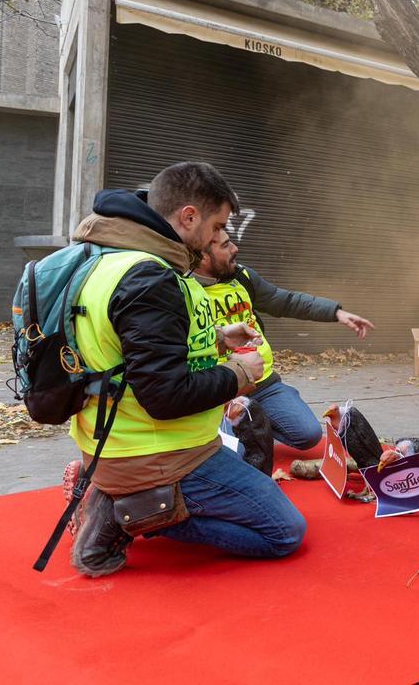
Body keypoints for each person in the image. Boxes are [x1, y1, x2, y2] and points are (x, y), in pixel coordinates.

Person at [63, 162, 305, 577]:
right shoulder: (148, 276)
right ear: (189, 216)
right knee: (285, 532)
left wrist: (216, 338)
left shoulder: (112, 259)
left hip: (113, 440)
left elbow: (125, 350)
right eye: (217, 226)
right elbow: (164, 396)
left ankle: (117, 496)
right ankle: (130, 515)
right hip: (158, 453)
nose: (220, 238)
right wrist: (240, 372)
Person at [195, 238, 375, 449]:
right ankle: (242, 432)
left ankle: (254, 425)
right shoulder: (182, 288)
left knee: (309, 435)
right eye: (225, 246)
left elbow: (286, 301)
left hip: (264, 385)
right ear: (204, 256)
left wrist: (335, 312)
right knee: (231, 452)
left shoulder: (242, 276)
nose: (235, 248)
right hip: (220, 391)